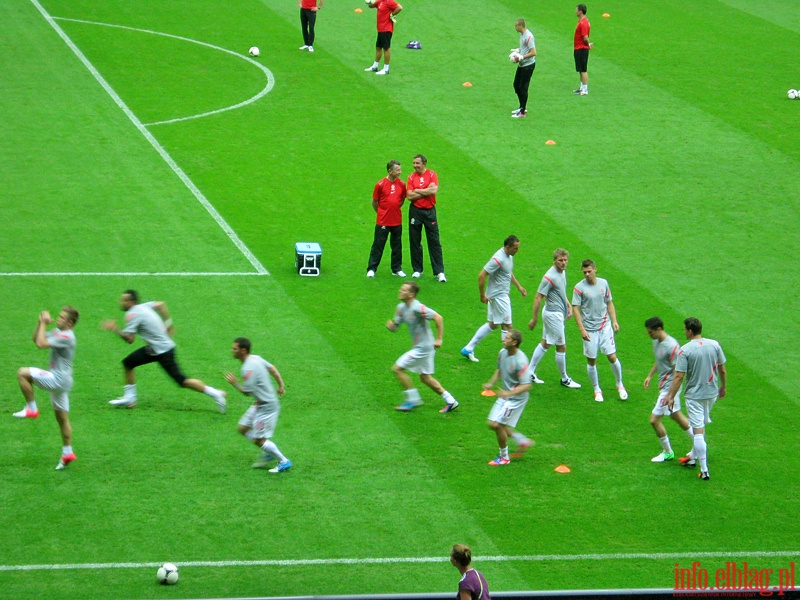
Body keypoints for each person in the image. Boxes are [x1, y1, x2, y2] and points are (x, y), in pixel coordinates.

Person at [101, 290, 227, 412]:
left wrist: (115, 329)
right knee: (128, 363)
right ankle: (130, 398)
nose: (121, 302)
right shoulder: (144, 306)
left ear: (132, 302)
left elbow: (129, 339)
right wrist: (169, 324)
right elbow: (161, 305)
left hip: (163, 352)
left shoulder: (133, 314)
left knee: (182, 381)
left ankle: (216, 394)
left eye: (124, 300)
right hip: (154, 349)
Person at [13, 307, 79, 470]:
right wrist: (39, 323)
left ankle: (31, 408)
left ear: (69, 323)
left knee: (22, 374)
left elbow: (42, 344)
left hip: (57, 379)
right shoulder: (59, 332)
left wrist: (43, 322)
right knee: (62, 418)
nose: (58, 318)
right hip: (62, 381)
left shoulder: (66, 336)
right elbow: (37, 340)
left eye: (62, 317)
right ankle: (67, 452)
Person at [664, 317, 727, 481]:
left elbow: (678, 377)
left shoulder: (685, 350)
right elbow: (722, 369)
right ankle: (692, 457)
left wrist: (670, 396)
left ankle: (704, 470)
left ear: (690, 331)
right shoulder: (715, 345)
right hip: (712, 393)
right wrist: (723, 386)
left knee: (698, 431)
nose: (684, 331)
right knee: (699, 424)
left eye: (685, 329)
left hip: (695, 396)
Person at [387, 282, 458, 412]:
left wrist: (439, 339)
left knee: (397, 369)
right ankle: (451, 401)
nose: (400, 291)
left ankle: (412, 400)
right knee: (425, 378)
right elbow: (396, 326)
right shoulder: (401, 308)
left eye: (404, 290)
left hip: (424, 348)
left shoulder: (417, 308)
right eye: (401, 289)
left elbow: (438, 318)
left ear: (411, 294)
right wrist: (392, 326)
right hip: (423, 347)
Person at [225, 337, 292, 473]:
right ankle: (268, 450)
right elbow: (272, 369)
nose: (232, 351)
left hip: (266, 407)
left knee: (258, 440)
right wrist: (280, 384)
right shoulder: (256, 358)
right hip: (259, 404)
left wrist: (235, 383)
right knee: (243, 428)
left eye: (235, 348)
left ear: (243, 350)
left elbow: (246, 393)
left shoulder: (247, 369)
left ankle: (283, 461)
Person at [461, 235, 527, 362]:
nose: (517, 250)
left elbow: (508, 272)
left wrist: (518, 286)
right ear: (507, 247)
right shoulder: (498, 258)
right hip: (499, 296)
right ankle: (507, 357)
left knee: (493, 324)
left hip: (499, 295)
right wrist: (482, 295)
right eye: (515, 248)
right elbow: (482, 275)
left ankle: (468, 348)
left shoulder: (509, 256)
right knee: (508, 326)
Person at [571, 259, 626, 402]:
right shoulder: (579, 288)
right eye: (584, 272)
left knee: (612, 357)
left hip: (604, 326)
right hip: (589, 329)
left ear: (595, 269)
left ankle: (620, 384)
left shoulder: (604, 283)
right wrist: (581, 329)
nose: (587, 274)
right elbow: (575, 309)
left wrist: (614, 321)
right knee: (592, 360)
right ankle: (597, 389)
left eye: (589, 271)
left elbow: (609, 302)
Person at [527, 249, 580, 388]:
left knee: (546, 342)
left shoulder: (562, 273)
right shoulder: (549, 277)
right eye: (560, 260)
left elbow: (561, 291)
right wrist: (534, 319)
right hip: (553, 315)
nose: (563, 263)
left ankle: (529, 371)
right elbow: (538, 297)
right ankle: (564, 379)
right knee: (561, 346)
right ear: (554, 261)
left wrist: (568, 305)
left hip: (556, 313)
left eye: (565, 260)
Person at [644, 317, 694, 463]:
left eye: (650, 332)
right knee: (676, 416)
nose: (649, 335)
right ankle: (698, 442)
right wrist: (650, 375)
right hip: (665, 387)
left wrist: (670, 394)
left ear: (659, 329)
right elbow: (659, 361)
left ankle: (668, 452)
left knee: (654, 420)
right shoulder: (656, 341)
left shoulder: (672, 346)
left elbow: (677, 372)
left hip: (670, 388)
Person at [483, 329, 534, 466]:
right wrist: (490, 383)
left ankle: (504, 458)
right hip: (505, 395)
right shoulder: (502, 352)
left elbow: (527, 385)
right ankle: (522, 441)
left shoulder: (521, 361)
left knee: (498, 425)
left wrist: (508, 394)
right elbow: (499, 369)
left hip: (516, 399)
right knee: (492, 424)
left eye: (507, 338)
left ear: (514, 342)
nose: (503, 339)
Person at [407, 154, 446, 282]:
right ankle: (417, 269)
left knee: (434, 241)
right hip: (415, 211)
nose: (415, 166)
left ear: (424, 163)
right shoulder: (411, 177)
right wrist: (425, 190)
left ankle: (439, 272)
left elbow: (433, 191)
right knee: (415, 240)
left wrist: (417, 190)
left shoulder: (432, 174)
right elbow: (409, 196)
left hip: (429, 211)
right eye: (414, 163)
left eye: (417, 163)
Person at [367, 160, 407, 278]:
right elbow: (374, 202)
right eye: (397, 170)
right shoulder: (380, 184)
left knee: (397, 245)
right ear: (390, 171)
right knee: (378, 245)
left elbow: (402, 200)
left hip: (397, 220)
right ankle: (372, 269)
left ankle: (396, 269)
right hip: (383, 221)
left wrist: (394, 209)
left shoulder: (402, 184)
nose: (400, 172)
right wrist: (381, 213)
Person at [364, 0, 403, 75]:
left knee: (386, 48)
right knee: (378, 47)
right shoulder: (380, 2)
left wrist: (392, 14)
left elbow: (399, 7)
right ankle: (375, 67)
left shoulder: (389, 2)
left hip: (386, 29)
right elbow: (371, 6)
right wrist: (368, 2)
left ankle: (386, 69)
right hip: (381, 29)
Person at [510, 19, 537, 118]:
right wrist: (518, 50)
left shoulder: (529, 36)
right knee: (516, 84)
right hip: (522, 65)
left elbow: (533, 52)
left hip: (528, 65)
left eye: (516, 26)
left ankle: (522, 112)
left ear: (521, 26)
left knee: (523, 87)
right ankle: (522, 106)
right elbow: (525, 48)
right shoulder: (522, 35)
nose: (515, 28)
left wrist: (522, 57)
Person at [573, 4, 593, 95]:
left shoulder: (583, 23)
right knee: (580, 69)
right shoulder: (582, 21)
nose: (575, 11)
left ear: (581, 11)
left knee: (583, 69)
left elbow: (585, 37)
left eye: (576, 10)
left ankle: (585, 90)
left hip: (582, 49)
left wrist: (588, 44)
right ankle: (582, 88)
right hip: (579, 48)